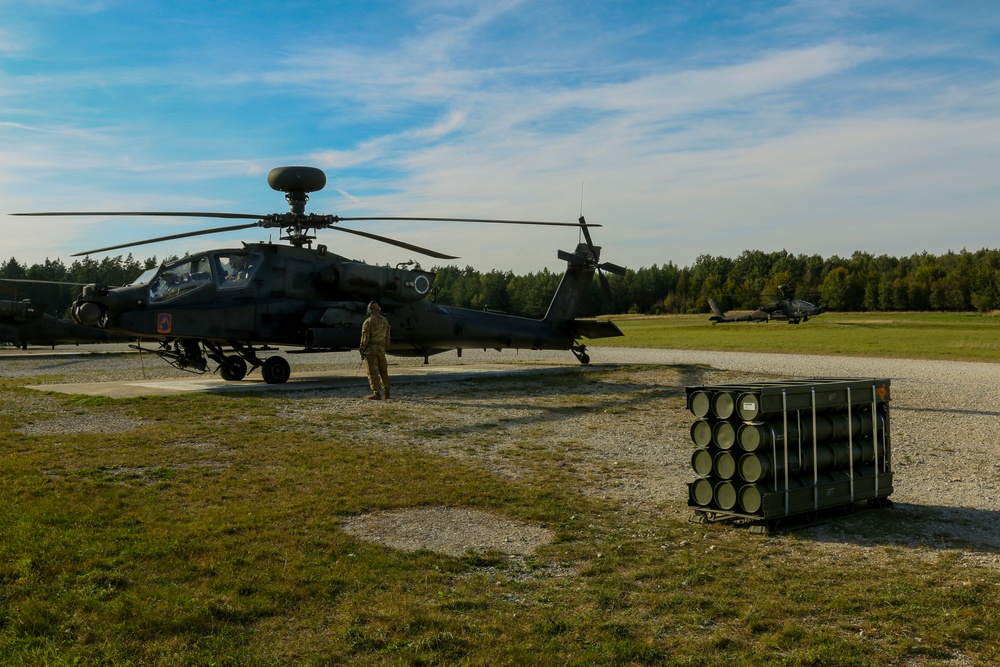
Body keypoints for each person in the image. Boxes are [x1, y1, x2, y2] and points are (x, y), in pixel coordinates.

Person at [359, 301, 391, 400]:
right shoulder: (385, 320)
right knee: (383, 371)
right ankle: (387, 391)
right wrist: (384, 347)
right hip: (381, 351)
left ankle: (376, 393)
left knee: (373, 372)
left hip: (371, 352)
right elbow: (387, 337)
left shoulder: (368, 322)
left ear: (369, 310)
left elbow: (365, 339)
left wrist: (362, 351)